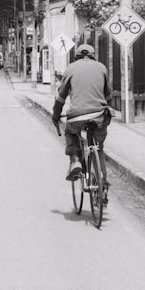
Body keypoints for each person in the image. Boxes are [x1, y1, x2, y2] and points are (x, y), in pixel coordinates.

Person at [51, 43, 113, 189]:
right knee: (99, 148)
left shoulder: (70, 68)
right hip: (99, 114)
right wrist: (108, 109)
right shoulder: (101, 67)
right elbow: (108, 95)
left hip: (77, 115)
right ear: (93, 55)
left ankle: (75, 161)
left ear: (77, 56)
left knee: (71, 133)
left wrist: (55, 116)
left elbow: (61, 97)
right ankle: (102, 185)